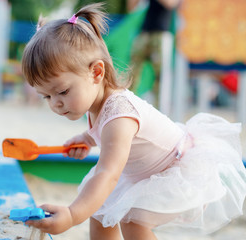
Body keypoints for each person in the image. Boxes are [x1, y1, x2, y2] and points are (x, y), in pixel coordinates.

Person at [21, 3, 246, 239]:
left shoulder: (120, 114)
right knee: (100, 211)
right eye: (46, 96)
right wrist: (86, 138)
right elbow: (104, 133)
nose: (55, 103)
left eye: (63, 92)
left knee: (132, 219)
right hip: (143, 173)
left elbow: (108, 174)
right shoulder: (95, 102)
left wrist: (72, 215)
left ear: (96, 73)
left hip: (173, 170)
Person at [128, 0, 180, 113]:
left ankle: (161, 110)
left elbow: (171, 4)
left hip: (162, 33)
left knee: (161, 76)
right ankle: (126, 104)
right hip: (145, 32)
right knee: (132, 71)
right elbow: (131, 8)